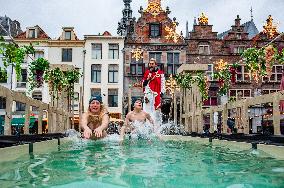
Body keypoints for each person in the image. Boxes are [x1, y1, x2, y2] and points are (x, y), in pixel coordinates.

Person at [142, 58, 165, 124]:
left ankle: (156, 126)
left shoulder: (160, 73)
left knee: (156, 110)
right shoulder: (147, 73)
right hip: (148, 93)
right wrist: (147, 79)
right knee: (147, 110)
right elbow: (143, 84)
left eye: (152, 64)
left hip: (156, 94)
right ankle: (147, 124)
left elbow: (163, 83)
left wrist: (162, 93)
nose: (151, 65)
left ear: (155, 65)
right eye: (150, 64)